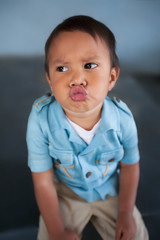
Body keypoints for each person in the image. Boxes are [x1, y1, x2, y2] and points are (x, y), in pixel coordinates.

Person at [26, 15, 149, 240]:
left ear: (111, 77)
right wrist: (56, 230)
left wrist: (125, 212)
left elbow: (130, 166)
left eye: (89, 65)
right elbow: (43, 180)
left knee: (136, 235)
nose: (76, 79)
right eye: (62, 68)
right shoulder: (40, 119)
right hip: (65, 193)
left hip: (110, 191)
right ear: (50, 81)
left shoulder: (122, 119)